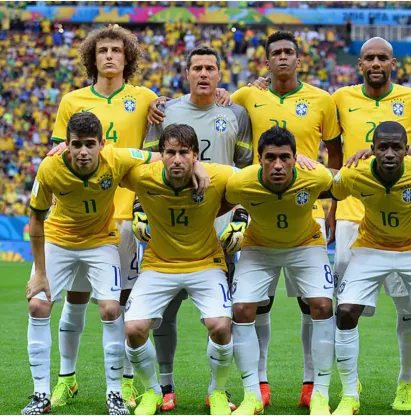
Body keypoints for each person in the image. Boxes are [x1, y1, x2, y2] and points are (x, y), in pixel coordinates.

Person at [149, 31, 342, 409]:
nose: (283, 57)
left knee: (312, 305)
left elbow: (332, 157)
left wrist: (329, 202)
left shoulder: (321, 99)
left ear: (298, 59)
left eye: (289, 52)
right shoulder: (241, 99)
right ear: (265, 61)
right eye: (276, 53)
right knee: (251, 306)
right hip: (238, 217)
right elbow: (173, 147)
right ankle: (257, 386)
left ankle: (311, 385)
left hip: (298, 214)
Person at [45, 26, 158, 408]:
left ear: (128, 58)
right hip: (78, 218)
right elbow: (57, 155)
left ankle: (123, 383)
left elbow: (158, 152)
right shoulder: (72, 101)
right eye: (103, 50)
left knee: (120, 304)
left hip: (126, 216)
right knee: (74, 300)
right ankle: (67, 378)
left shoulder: (145, 98)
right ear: (92, 58)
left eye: (117, 50)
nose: (109, 55)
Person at [23, 112, 163, 415]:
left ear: (102, 144)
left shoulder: (116, 158)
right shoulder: (49, 168)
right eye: (76, 145)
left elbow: (157, 156)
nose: (83, 152)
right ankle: (40, 394)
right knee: (37, 305)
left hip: (101, 242)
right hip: (58, 240)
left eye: (90, 144)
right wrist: (40, 274)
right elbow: (35, 221)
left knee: (112, 309)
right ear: (67, 146)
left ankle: (114, 392)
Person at [140, 44, 252, 412]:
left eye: (210, 68)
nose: (203, 74)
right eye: (197, 68)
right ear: (186, 73)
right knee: (163, 314)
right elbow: (149, 167)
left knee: (223, 317)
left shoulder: (236, 112)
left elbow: (247, 174)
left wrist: (241, 216)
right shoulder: (165, 110)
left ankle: (218, 389)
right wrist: (142, 208)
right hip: (169, 226)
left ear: (221, 75)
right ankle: (166, 385)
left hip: (219, 233)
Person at [330, 121, 411, 416]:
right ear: (371, 150)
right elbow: (330, 189)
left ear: (406, 150)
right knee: (345, 312)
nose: (389, 153)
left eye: (396, 147)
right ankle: (349, 395)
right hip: (371, 247)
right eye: (382, 147)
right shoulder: (354, 173)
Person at [121, 124, 236, 416]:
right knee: (133, 330)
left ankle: (217, 392)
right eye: (170, 152)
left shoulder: (219, 175)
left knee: (221, 326)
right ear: (160, 155)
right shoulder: (143, 177)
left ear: (195, 154)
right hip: (158, 264)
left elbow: (253, 181)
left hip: (206, 262)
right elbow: (109, 157)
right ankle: (152, 393)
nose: (176, 159)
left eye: (184, 153)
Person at [224, 127, 336, 416]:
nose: (277, 165)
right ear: (258, 159)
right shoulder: (241, 182)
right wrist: (237, 217)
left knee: (322, 305)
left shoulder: (317, 176)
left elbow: (340, 186)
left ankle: (319, 394)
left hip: (305, 245)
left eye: (285, 157)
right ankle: (253, 394)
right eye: (270, 157)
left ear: (296, 158)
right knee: (243, 309)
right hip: (259, 247)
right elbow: (227, 198)